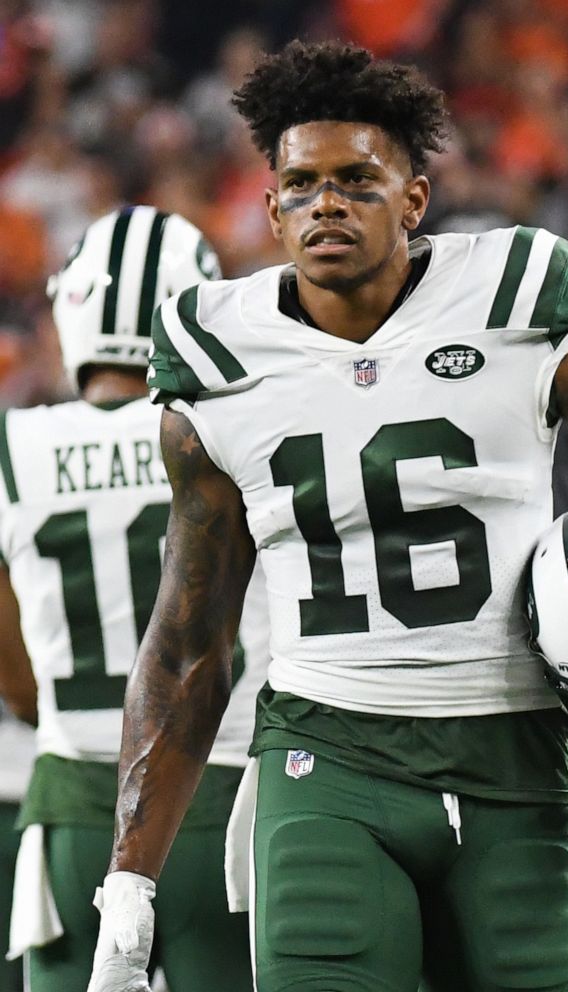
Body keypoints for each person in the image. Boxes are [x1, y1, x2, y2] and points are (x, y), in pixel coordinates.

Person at [88, 41, 568, 992]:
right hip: (326, 755)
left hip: (511, 752)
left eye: (355, 180)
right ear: (269, 207)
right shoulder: (219, 355)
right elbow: (188, 640)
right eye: (300, 184)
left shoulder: (511, 297)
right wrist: (129, 876)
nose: (325, 204)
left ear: (413, 200)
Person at [0, 205, 269, 992]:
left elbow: (15, 679)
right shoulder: (229, 430)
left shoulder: (15, 448)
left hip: (79, 804)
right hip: (222, 798)